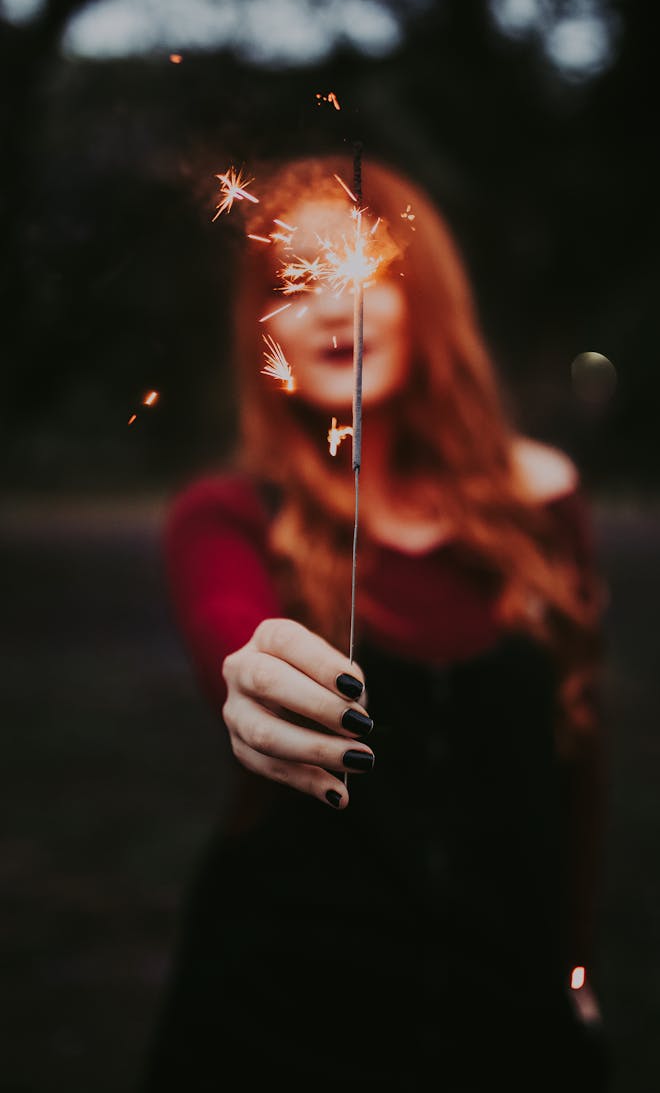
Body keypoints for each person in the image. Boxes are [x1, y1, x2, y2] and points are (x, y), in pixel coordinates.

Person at [139, 151, 612, 1091]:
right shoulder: (228, 515)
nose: (326, 303)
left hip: (506, 1018)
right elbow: (233, 639)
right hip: (279, 1019)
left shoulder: (542, 505)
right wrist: (255, 679)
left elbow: (582, 772)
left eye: (361, 271)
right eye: (290, 280)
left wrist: (576, 967)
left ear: (423, 294)